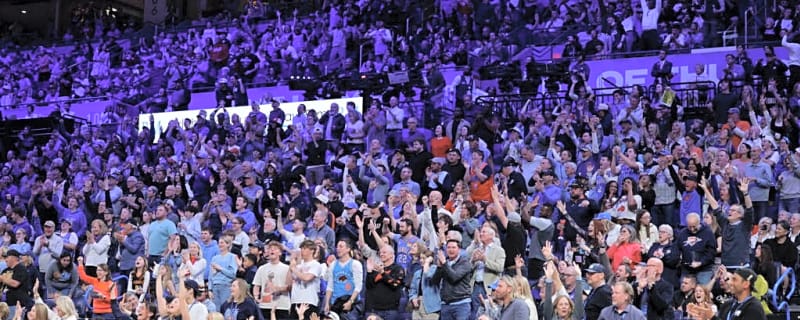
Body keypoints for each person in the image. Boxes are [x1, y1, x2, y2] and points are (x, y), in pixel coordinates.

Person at [687, 268, 766, 320]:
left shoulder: (754, 308)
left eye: (734, 280)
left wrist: (712, 317)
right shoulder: (727, 304)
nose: (730, 283)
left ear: (745, 284)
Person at [432, 239, 473, 320]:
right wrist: (439, 268)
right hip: (446, 304)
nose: (451, 250)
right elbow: (434, 281)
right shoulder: (445, 263)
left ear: (459, 249)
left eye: (454, 247)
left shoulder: (465, 263)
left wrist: (444, 264)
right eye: (448, 247)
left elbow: (454, 277)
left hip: (461, 304)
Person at [253, 240, 291, 319]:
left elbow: (290, 287)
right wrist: (256, 297)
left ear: (280, 253)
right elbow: (256, 285)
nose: (272, 250)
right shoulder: (262, 268)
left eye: (275, 248)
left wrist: (277, 288)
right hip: (265, 305)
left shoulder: (287, 268)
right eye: (270, 248)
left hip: (281, 305)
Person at [0, 249, 32, 317]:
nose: (5, 260)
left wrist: (3, 278)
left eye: (7, 257)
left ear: (14, 258)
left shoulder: (21, 269)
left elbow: (15, 284)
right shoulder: (5, 270)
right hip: (5, 304)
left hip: (17, 304)